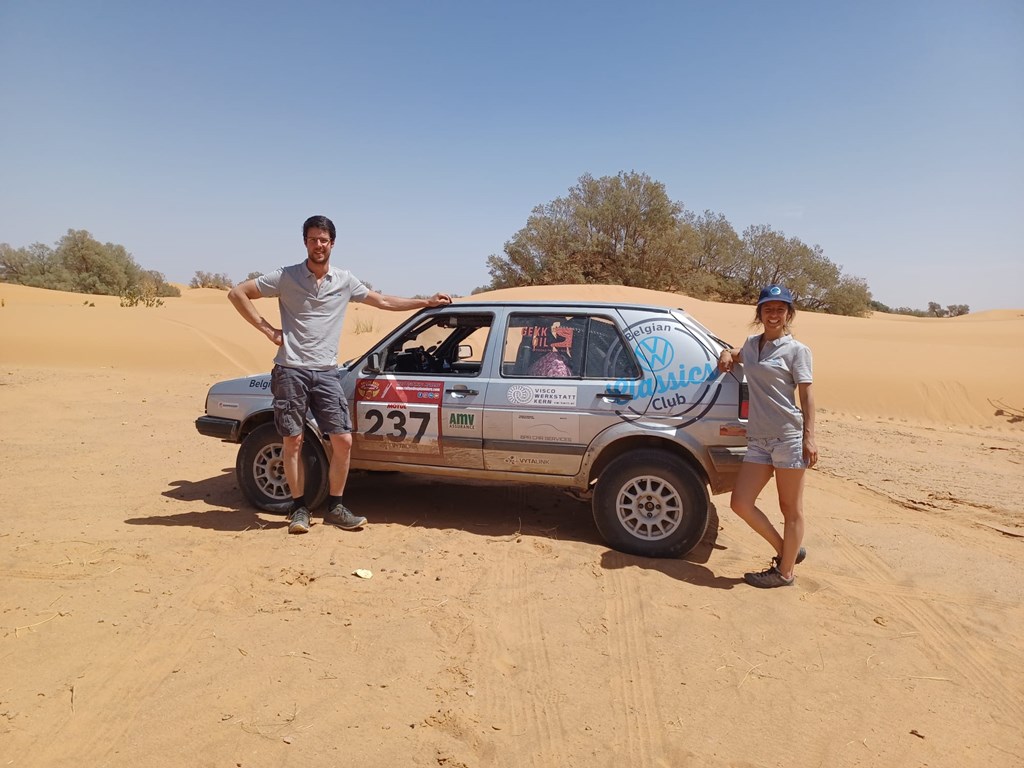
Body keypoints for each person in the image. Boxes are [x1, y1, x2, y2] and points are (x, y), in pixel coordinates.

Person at [228, 214, 452, 535]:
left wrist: (425, 302)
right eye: (312, 239)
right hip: (291, 370)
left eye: (323, 239)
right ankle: (298, 508)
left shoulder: (344, 280)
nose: (318, 245)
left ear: (332, 243)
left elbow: (382, 300)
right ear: (305, 242)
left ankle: (335, 506)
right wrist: (268, 330)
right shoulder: (286, 277)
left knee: (343, 441)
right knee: (293, 441)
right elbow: (238, 293)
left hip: (326, 373)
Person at [717, 284, 817, 588]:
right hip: (758, 439)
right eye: (768, 309)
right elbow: (736, 354)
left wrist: (809, 436)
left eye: (780, 309)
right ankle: (787, 551)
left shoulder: (797, 351)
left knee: (791, 509)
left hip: (787, 437)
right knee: (740, 503)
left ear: (788, 314)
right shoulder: (752, 345)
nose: (774, 314)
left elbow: (807, 395)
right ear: (759, 313)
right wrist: (726, 353)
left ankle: (785, 574)